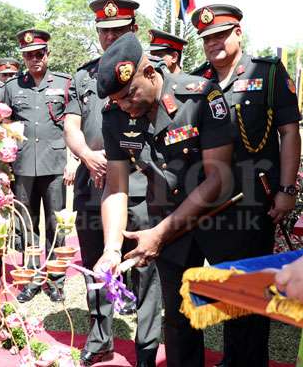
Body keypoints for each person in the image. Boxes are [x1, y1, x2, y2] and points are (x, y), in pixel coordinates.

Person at [94, 32, 235, 367]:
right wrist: (112, 248)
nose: (125, 105)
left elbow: (217, 178)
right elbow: (116, 186)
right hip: (170, 225)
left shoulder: (198, 96)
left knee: (238, 313)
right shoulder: (114, 114)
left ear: (150, 74)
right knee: (178, 316)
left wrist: (159, 234)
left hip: (222, 217)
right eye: (118, 100)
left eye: (129, 96)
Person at [190, 4, 301, 367]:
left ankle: (250, 361)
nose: (213, 43)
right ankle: (230, 357)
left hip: (253, 202)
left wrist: (287, 191)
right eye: (207, 38)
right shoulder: (197, 81)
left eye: (221, 35)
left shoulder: (267, 74)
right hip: (208, 203)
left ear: (239, 32)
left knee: (251, 290)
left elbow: (289, 132)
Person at [64, 0, 162, 366]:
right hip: (94, 186)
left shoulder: (149, 73)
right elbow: (71, 125)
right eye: (104, 30)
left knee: (145, 271)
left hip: (140, 190)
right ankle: (101, 335)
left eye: (118, 30)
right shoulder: (83, 75)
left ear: (133, 31)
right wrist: (85, 155)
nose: (109, 37)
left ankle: (146, 347)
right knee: (97, 262)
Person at [3, 29, 72, 303]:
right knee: (27, 223)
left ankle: (55, 280)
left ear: (47, 54)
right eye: (29, 55)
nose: (34, 59)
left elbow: (72, 123)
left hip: (55, 164)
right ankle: (32, 277)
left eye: (39, 54)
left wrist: (73, 161)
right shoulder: (12, 87)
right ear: (24, 58)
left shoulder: (64, 84)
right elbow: (5, 122)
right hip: (23, 165)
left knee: (56, 223)